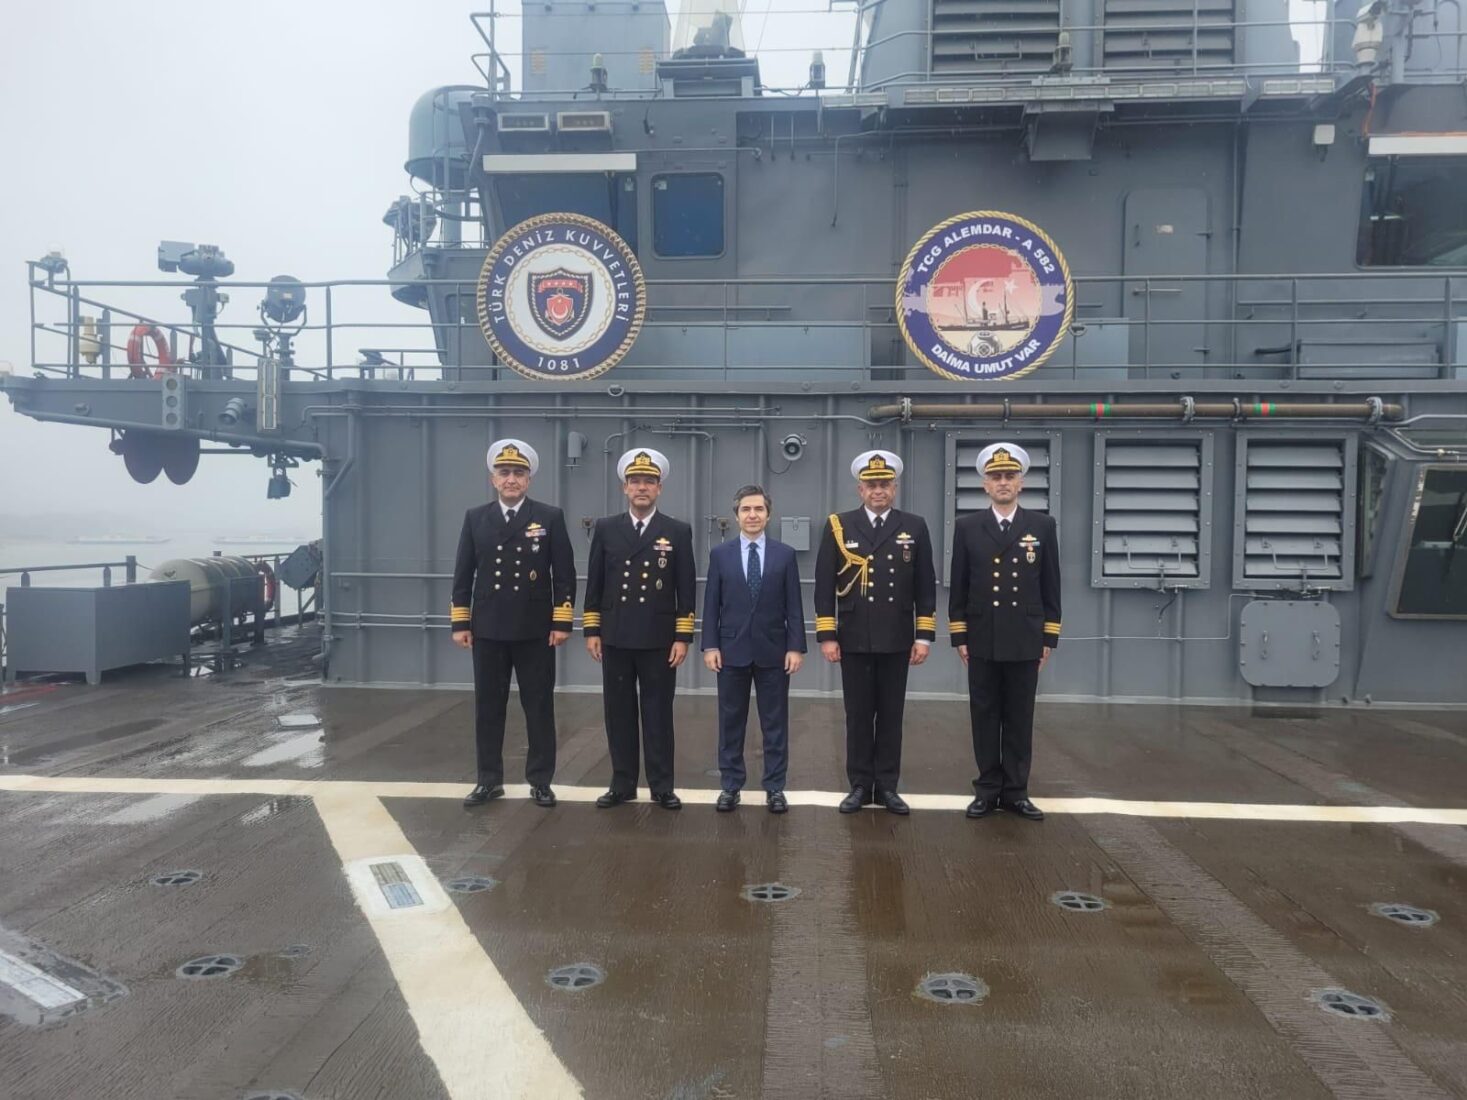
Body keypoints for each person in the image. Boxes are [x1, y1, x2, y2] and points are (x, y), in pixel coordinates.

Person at [451, 439, 575, 809]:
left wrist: (562, 620)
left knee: (538, 707)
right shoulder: (476, 517)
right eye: (504, 473)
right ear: (493, 479)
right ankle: (489, 780)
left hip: (535, 629)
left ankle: (540, 781)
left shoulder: (549, 517)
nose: (511, 479)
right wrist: (461, 621)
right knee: (488, 707)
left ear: (528, 480)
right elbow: (463, 573)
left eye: (518, 473)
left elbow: (564, 573)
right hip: (488, 627)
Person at [814, 450, 936, 815]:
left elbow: (924, 585)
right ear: (860, 488)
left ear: (894, 488)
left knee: (891, 714)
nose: (878, 491)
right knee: (858, 714)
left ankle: (886, 785)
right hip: (852, 636)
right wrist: (827, 634)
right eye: (871, 485)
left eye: (884, 484)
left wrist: (923, 635)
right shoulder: (839, 525)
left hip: (897, 636)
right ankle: (859, 785)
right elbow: (824, 584)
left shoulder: (914, 526)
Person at [948, 442, 1061, 822]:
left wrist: (1049, 637)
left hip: (1025, 636)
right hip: (982, 635)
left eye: (1009, 476)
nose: (1002, 482)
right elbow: (959, 584)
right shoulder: (967, 527)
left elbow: (1051, 585)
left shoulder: (1042, 526)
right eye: (995, 477)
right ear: (984, 484)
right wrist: (959, 635)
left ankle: (1016, 791)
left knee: (1019, 716)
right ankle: (987, 789)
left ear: (1021, 483)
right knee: (984, 714)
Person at [583, 448, 696, 810]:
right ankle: (622, 783)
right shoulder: (606, 528)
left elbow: (686, 587)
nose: (642, 487)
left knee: (658, 712)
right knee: (618, 712)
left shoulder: (677, 531)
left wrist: (682, 636)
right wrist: (592, 630)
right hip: (615, 635)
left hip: (658, 639)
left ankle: (662, 785)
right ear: (624, 488)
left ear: (659, 488)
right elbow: (595, 583)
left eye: (649, 481)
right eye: (635, 482)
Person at [701, 485, 806, 814]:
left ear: (768, 514)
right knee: (731, 721)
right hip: (731, 650)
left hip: (774, 651)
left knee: (774, 723)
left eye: (758, 509)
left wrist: (796, 647)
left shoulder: (784, 555)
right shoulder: (720, 555)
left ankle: (775, 787)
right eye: (746, 509)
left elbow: (794, 607)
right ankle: (731, 786)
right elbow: (711, 605)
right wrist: (710, 646)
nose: (752, 515)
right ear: (736, 516)